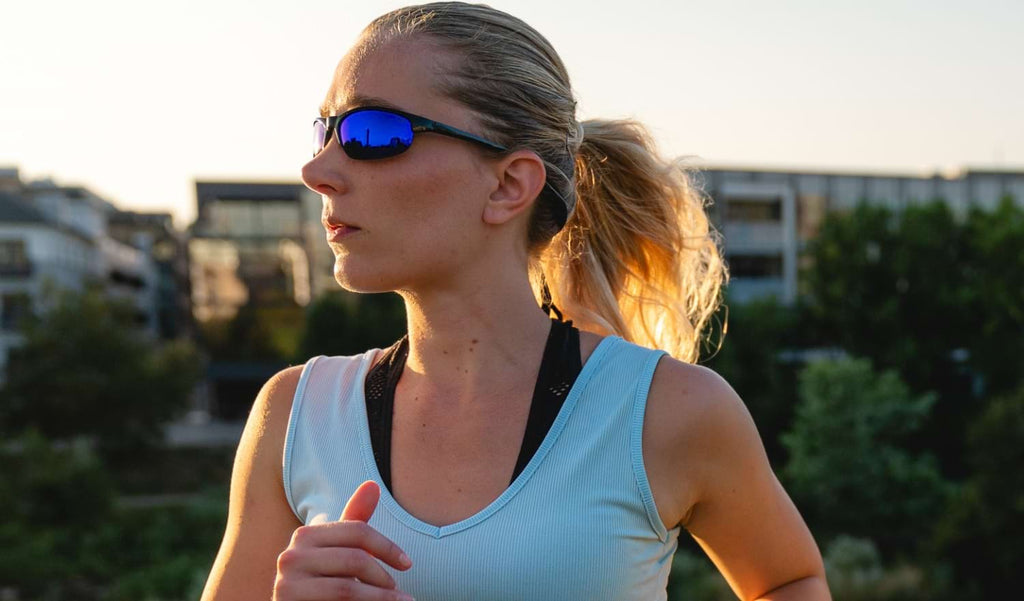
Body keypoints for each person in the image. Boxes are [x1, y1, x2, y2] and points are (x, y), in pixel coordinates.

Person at [201, 3, 830, 600]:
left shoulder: (668, 410)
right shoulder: (294, 417)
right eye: (326, 129)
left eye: (372, 132)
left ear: (508, 185)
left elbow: (789, 581)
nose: (317, 169)